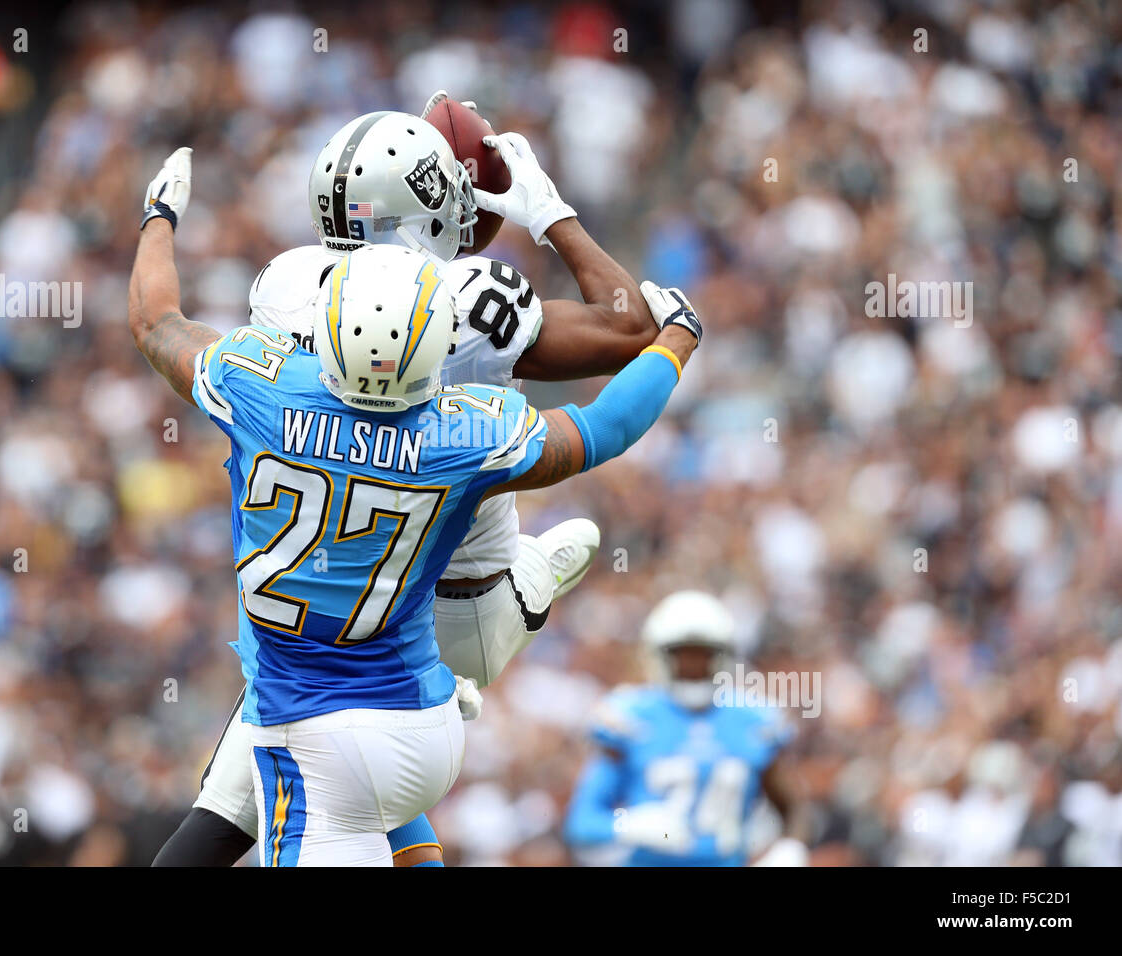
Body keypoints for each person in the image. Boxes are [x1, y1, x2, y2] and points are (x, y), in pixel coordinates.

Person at [127, 146, 702, 865]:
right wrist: (678, 338)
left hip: (311, 724)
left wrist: (159, 218)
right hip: (424, 718)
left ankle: (525, 583)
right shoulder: (463, 429)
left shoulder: (258, 384)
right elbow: (605, 426)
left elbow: (156, 322)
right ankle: (526, 584)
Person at [564, 591, 809, 866]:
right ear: (660, 656)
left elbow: (792, 806)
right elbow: (581, 823)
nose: (693, 665)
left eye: (703, 655)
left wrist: (790, 847)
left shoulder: (753, 722)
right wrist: (629, 826)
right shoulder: (630, 719)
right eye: (683, 655)